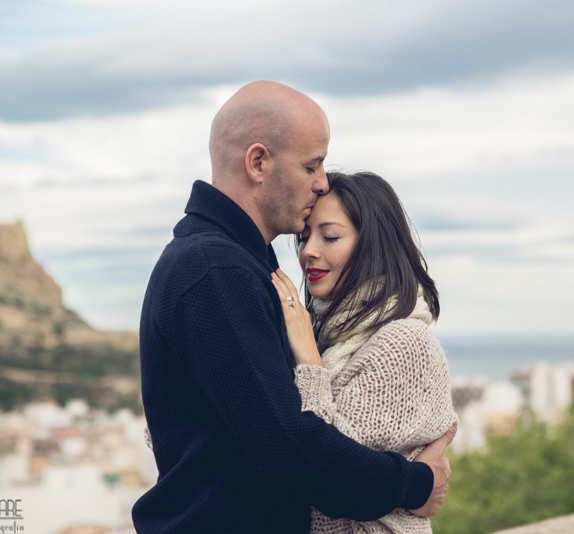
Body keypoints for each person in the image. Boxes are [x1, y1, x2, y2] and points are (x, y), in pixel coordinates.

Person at [132, 80, 456, 533]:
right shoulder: (216, 270)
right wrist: (415, 484)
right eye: (312, 165)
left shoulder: (240, 264)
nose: (321, 182)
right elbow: (287, 446)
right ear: (258, 162)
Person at [271, 171, 458, 533]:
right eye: (305, 237)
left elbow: (329, 472)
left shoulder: (403, 343)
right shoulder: (332, 336)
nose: (309, 250)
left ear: (375, 244)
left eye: (330, 236)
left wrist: (310, 363)